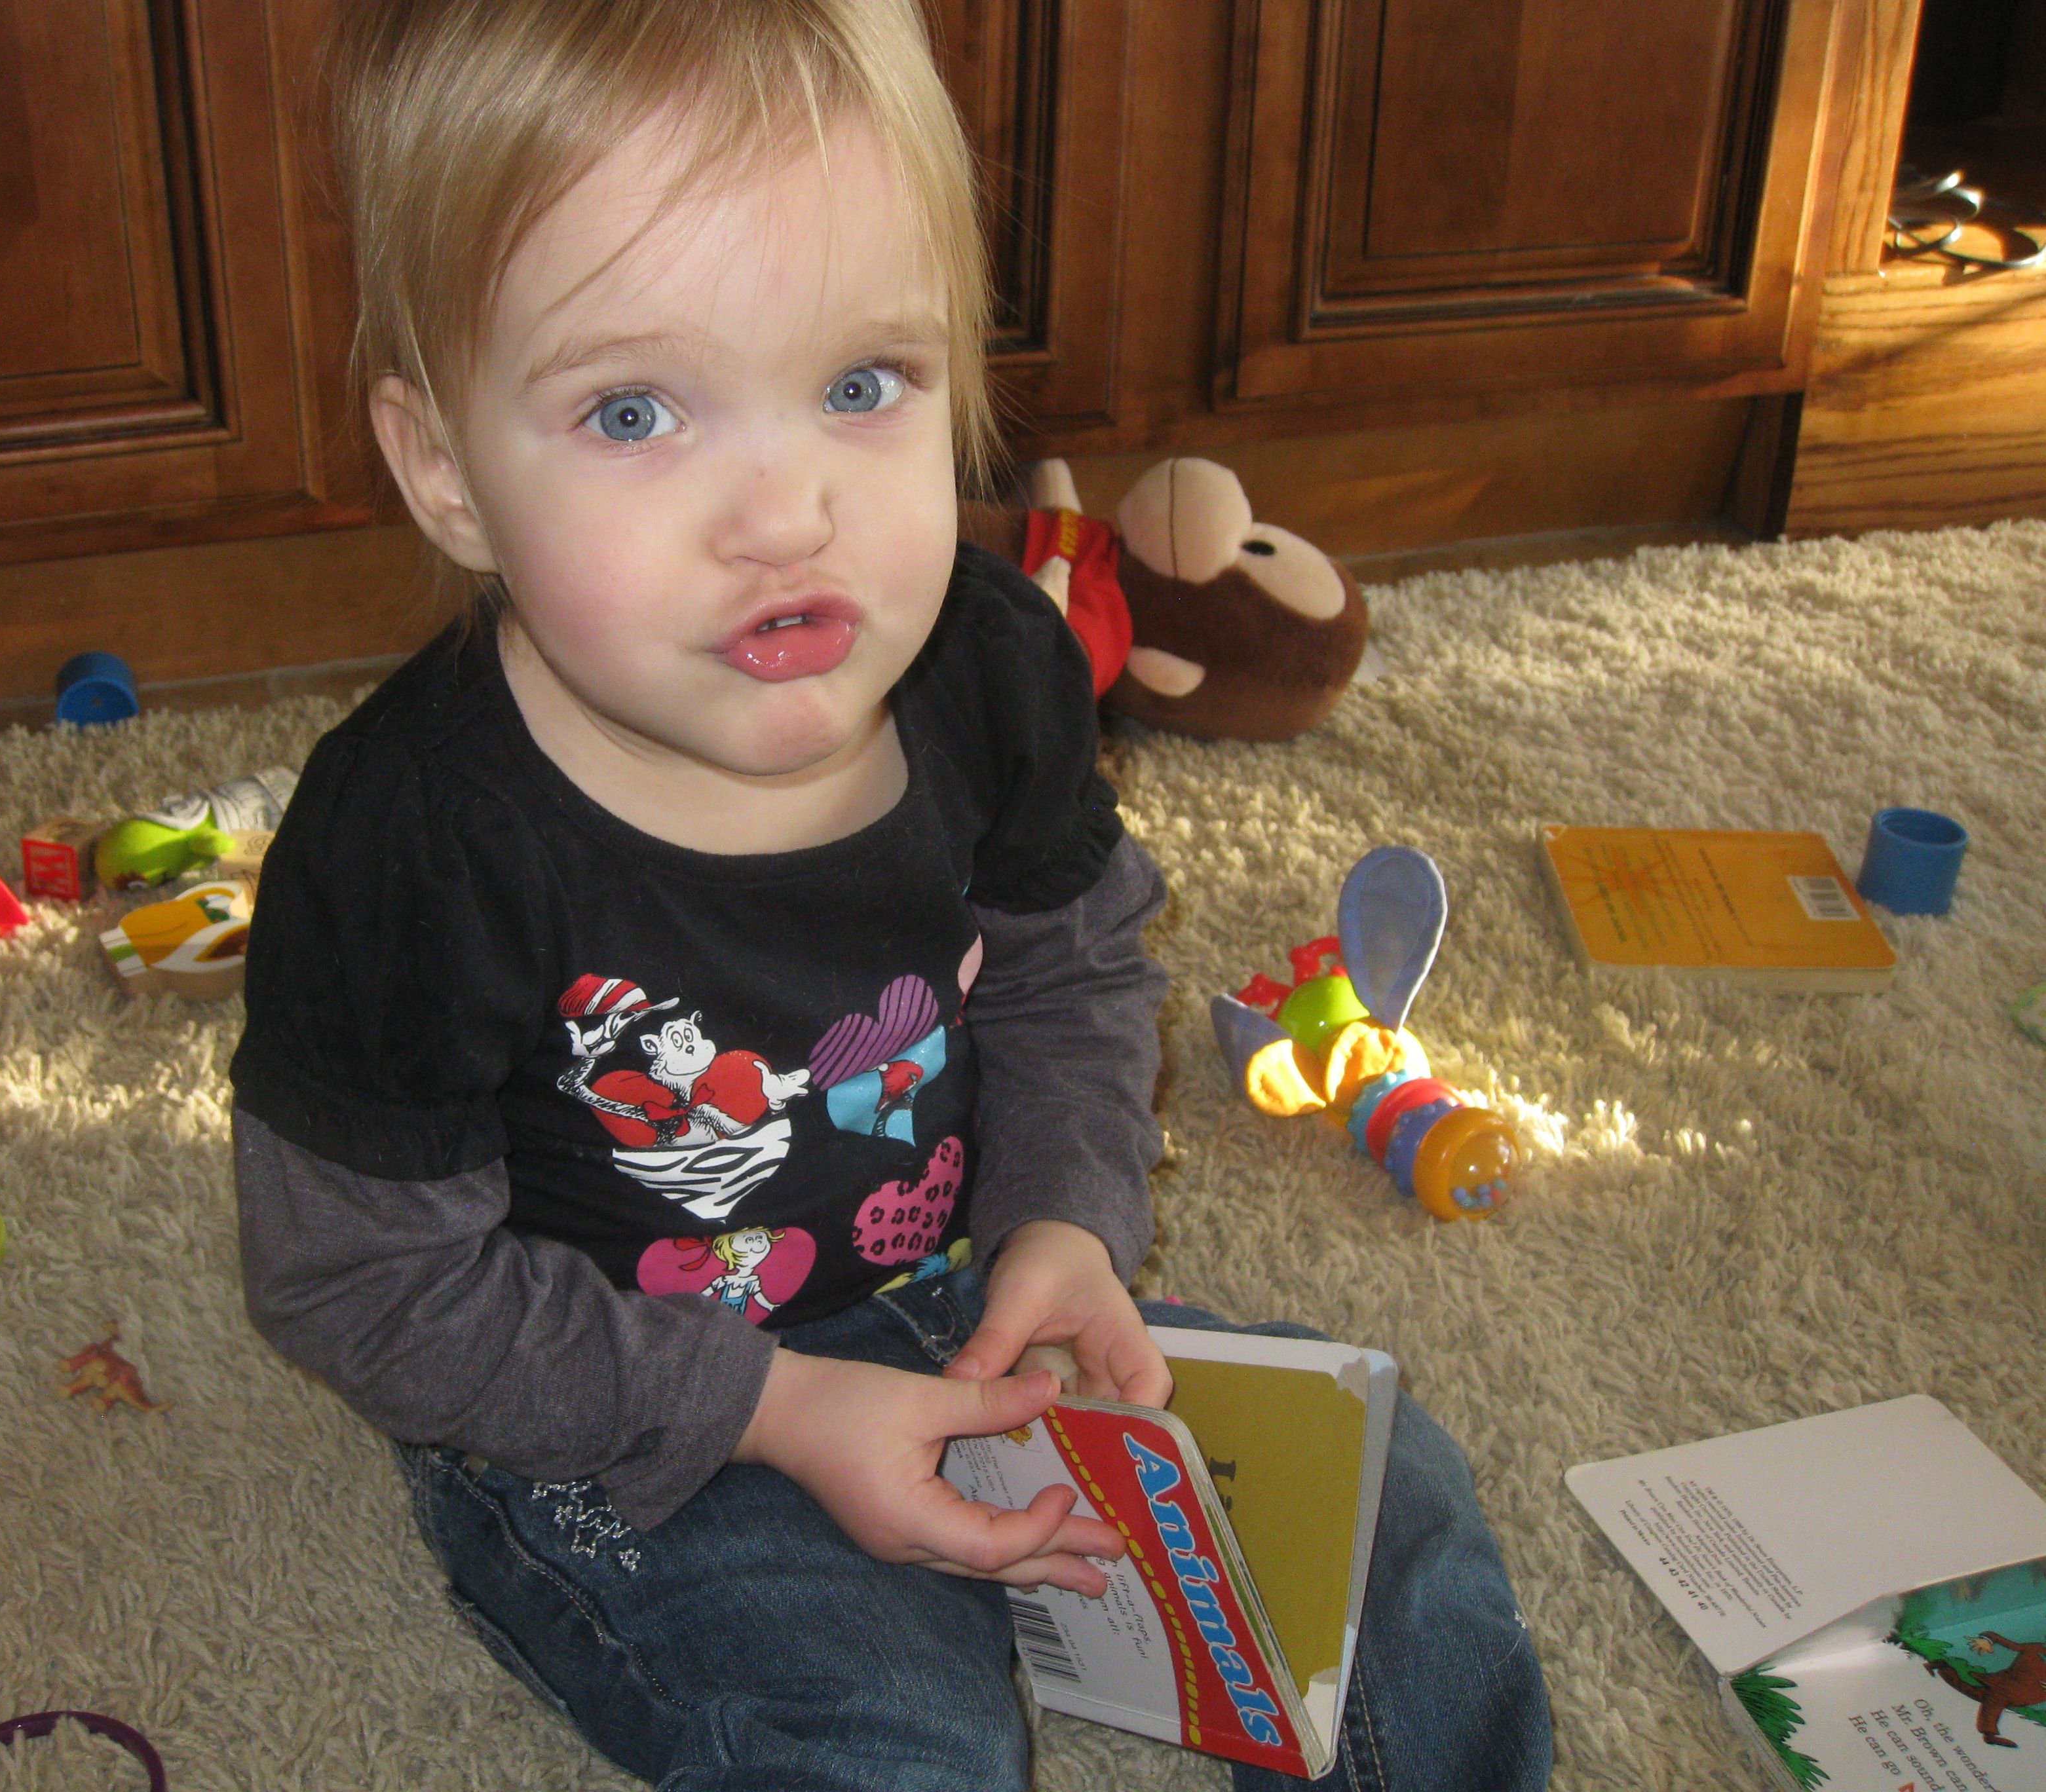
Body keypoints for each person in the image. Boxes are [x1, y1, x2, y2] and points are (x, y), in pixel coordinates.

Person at [228, 3, 1553, 1787]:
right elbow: (363, 1285)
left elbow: (1070, 972)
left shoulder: (990, 661)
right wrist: (777, 1411)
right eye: (634, 411)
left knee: (1391, 1506)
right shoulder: (413, 843)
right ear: (448, 470)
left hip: (958, 1290)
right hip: (630, 1401)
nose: (789, 513)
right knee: (896, 1738)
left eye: (863, 386)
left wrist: (1064, 1223)